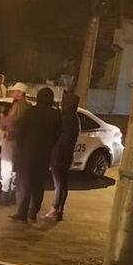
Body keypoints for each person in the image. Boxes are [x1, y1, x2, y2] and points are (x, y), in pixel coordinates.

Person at [10, 86, 61, 223]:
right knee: (38, 185)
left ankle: (22, 213)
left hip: (27, 155)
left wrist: (20, 149)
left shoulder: (30, 112)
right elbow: (57, 135)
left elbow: (19, 132)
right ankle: (33, 212)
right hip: (43, 155)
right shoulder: (55, 115)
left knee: (25, 184)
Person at [44, 91, 80, 221]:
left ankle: (55, 209)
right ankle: (59, 210)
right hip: (67, 155)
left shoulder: (65, 118)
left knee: (59, 184)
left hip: (59, 155)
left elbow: (59, 136)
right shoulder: (75, 118)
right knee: (63, 184)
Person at [0, 82, 31, 206]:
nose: (12, 93)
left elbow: (10, 124)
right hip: (18, 144)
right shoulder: (24, 106)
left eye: (15, 91)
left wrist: (2, 119)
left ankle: (6, 194)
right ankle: (11, 193)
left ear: (21, 93)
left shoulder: (20, 107)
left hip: (11, 143)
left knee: (7, 169)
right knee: (14, 170)